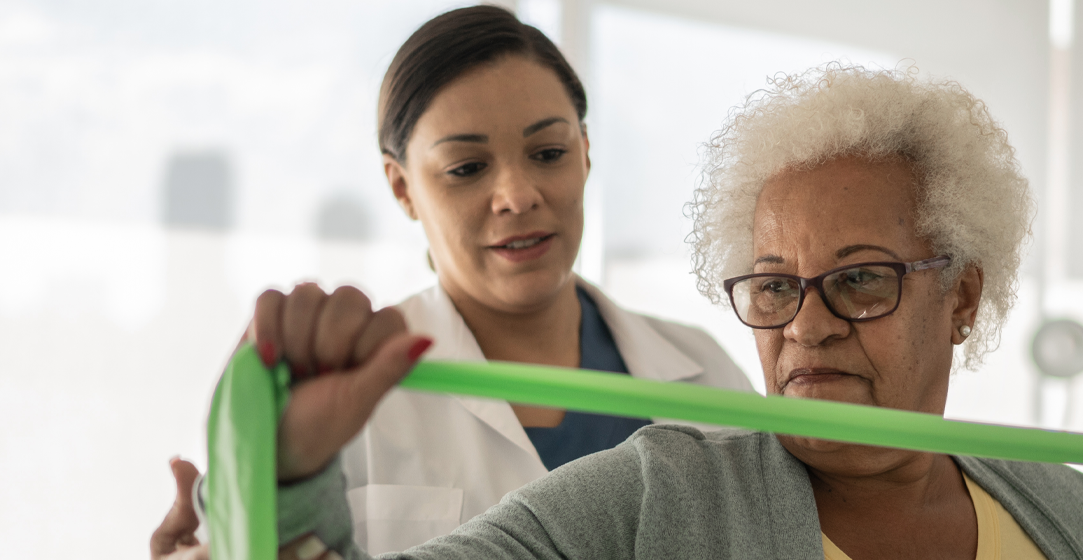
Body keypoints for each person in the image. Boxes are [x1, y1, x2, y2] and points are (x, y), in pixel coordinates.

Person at [196, 66, 1083, 560]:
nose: (806, 328)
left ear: (965, 294)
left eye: (861, 281)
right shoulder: (657, 494)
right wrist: (294, 480)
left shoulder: (1060, 509)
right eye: (772, 288)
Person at [147, 7, 754, 560]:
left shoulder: (705, 373)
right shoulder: (335, 398)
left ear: (587, 153)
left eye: (548, 153)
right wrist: (239, 532)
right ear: (402, 187)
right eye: (466, 168)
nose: (518, 196)